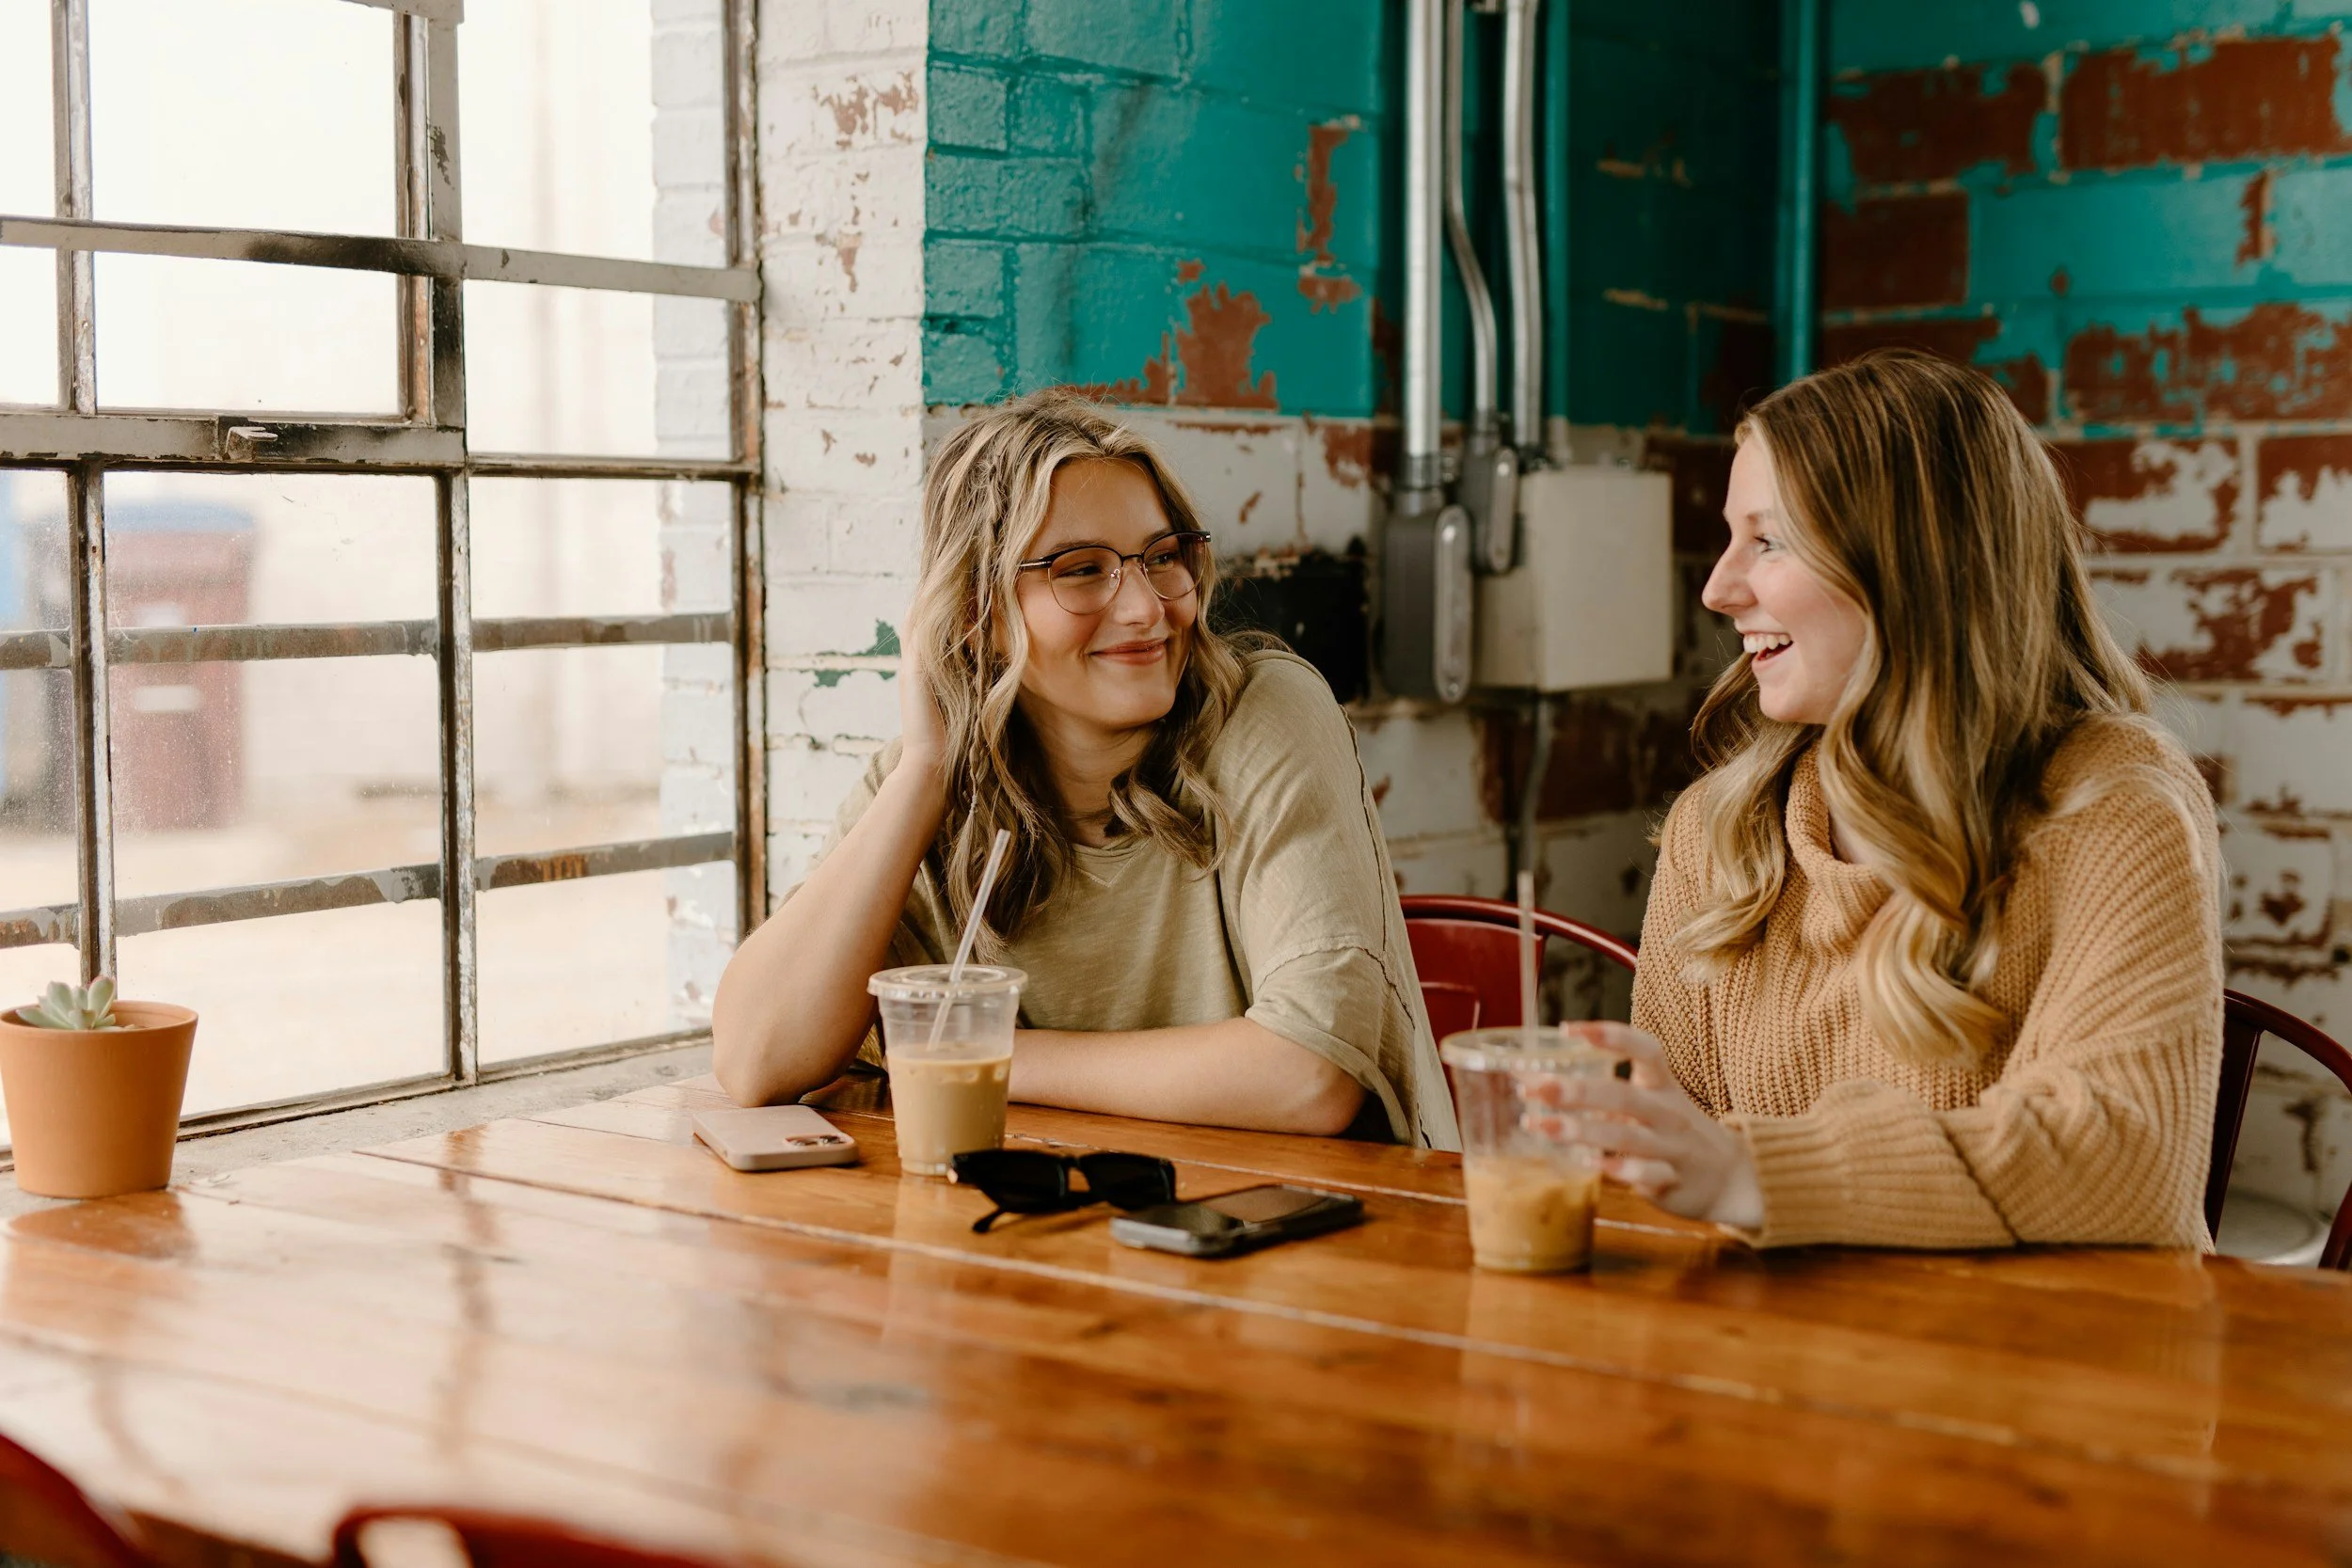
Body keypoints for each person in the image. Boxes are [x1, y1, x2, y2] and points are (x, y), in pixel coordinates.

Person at [1535, 349, 2222, 1249]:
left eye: (1768, 539)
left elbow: (2118, 1156)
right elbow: (1682, 1177)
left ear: (1914, 566)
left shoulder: (2116, 808)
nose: (1717, 588)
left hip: (2064, 1366)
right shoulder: (1723, 829)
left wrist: (1752, 1169)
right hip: (1795, 1357)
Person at [712, 390, 1458, 1148]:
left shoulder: (1265, 716)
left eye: (1162, 557)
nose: (1145, 607)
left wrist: (981, 1051)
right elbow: (755, 1059)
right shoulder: (927, 780)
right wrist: (924, 769)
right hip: (1047, 1235)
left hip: (1320, 1235)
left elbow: (1307, 1076)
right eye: (1080, 569)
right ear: (979, 613)